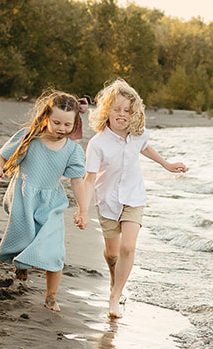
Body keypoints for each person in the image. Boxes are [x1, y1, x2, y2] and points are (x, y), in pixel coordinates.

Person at [75, 78, 188, 319]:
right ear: (106, 111)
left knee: (128, 247)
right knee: (113, 254)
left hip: (134, 198)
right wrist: (82, 210)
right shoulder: (98, 144)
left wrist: (166, 164)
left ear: (134, 112)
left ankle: (115, 295)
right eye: (116, 109)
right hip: (107, 201)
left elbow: (144, 147)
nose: (122, 114)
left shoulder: (138, 134)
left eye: (127, 110)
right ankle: (115, 281)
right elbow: (88, 179)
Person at [0, 91, 88, 313]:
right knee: (25, 238)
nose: (62, 128)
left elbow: (78, 181)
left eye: (67, 124)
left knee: (55, 250)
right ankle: (22, 264)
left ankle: (51, 297)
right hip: (24, 197)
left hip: (51, 203)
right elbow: (3, 156)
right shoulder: (29, 137)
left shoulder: (72, 150)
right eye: (56, 122)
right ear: (46, 118)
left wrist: (83, 209)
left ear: (75, 124)